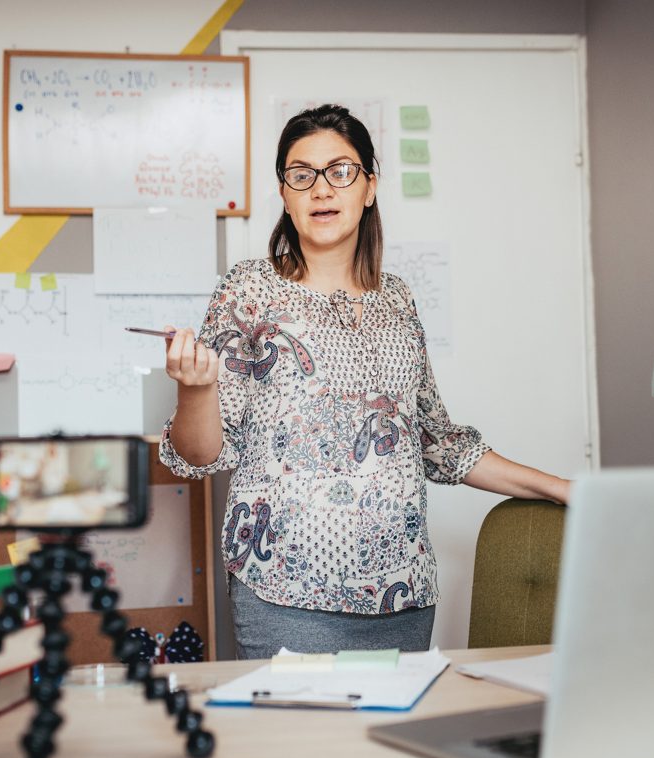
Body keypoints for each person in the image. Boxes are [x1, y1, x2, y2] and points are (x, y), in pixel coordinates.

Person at [159, 104, 570, 660]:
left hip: (402, 593)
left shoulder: (397, 299)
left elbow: (438, 442)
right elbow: (201, 455)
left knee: (388, 746)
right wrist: (194, 389)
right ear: (285, 194)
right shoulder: (248, 291)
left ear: (370, 186)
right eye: (301, 175)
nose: (321, 189)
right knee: (299, 747)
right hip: (287, 594)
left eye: (340, 171)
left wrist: (563, 489)